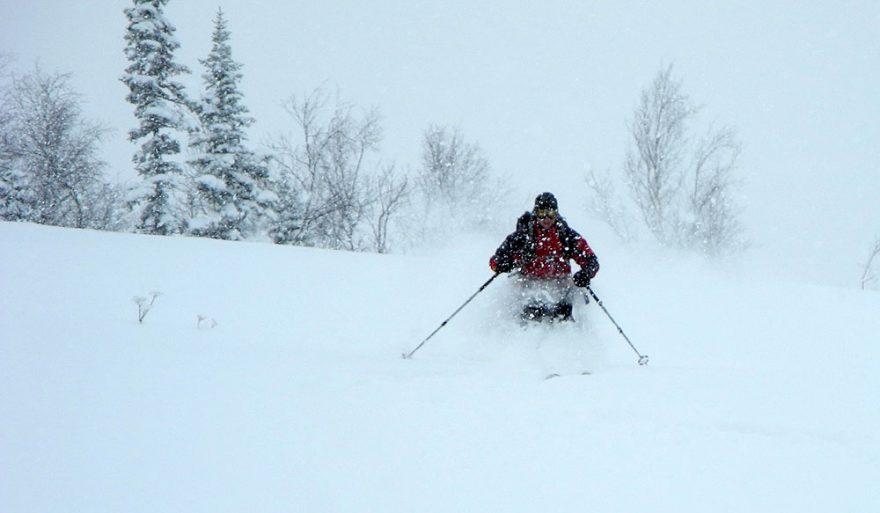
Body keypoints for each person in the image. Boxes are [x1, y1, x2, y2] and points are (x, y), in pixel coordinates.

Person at [489, 192, 599, 322]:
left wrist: (586, 274)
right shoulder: (523, 235)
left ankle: (573, 329)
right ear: (535, 213)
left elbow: (591, 260)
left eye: (550, 213)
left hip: (559, 284)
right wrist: (502, 264)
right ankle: (514, 329)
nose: (546, 218)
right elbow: (495, 260)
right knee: (524, 303)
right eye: (542, 213)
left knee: (570, 302)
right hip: (529, 283)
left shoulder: (566, 235)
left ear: (556, 214)